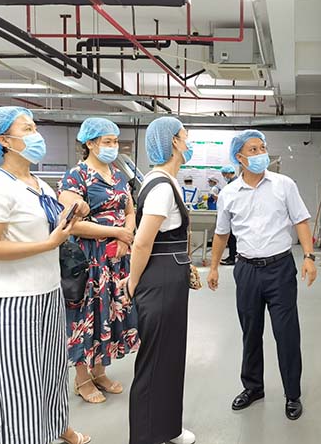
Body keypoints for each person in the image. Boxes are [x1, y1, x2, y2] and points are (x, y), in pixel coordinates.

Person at [0, 106, 91, 444]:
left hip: (48, 291)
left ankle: (57, 426)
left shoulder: (39, 184)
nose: (36, 135)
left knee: (52, 371)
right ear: (4, 141)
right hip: (13, 299)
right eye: (27, 129)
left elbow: (52, 227)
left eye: (34, 127)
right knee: (18, 380)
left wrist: (74, 212)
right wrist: (48, 244)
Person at [207, 129, 317, 421]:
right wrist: (214, 266)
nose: (260, 154)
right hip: (246, 270)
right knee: (250, 332)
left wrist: (309, 257)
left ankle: (292, 394)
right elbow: (221, 233)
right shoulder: (229, 193)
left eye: (262, 148)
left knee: (287, 333)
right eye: (253, 150)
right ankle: (253, 387)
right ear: (239, 158)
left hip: (280, 269)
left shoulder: (284, 185)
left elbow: (301, 221)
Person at [58, 117, 140, 404]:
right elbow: (72, 224)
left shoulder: (118, 175)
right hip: (89, 259)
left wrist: (126, 236)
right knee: (87, 315)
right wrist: (116, 232)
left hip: (117, 259)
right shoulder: (76, 176)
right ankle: (82, 379)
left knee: (111, 312)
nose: (113, 146)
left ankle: (100, 371)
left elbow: (130, 210)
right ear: (90, 143)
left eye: (115, 141)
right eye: (107, 141)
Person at [124, 117, 195, 444]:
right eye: (185, 136)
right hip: (160, 279)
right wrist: (132, 282)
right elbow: (142, 242)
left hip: (170, 275)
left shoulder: (167, 181)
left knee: (170, 356)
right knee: (154, 361)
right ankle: (145, 437)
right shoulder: (162, 186)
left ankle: (168, 428)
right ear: (174, 142)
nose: (188, 142)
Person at [219, 165, 237, 265]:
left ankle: (232, 258)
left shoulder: (234, 184)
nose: (224, 176)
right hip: (233, 214)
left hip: (233, 215)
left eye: (224, 174)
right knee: (231, 238)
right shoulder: (233, 182)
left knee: (232, 238)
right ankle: (231, 256)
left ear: (228, 173)